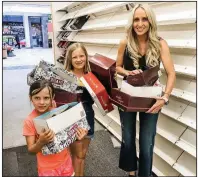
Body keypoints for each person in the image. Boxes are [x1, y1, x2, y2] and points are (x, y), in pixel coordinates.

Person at [116, 4, 176, 177]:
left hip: (151, 99)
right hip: (127, 97)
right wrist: (127, 72)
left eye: (144, 19)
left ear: (150, 21)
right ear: (132, 22)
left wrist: (164, 98)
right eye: (136, 19)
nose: (140, 24)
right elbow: (117, 67)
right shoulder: (124, 42)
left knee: (147, 142)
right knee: (127, 137)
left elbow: (172, 73)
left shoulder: (160, 44)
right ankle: (131, 173)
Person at [23, 80, 88, 176]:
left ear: (52, 98)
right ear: (30, 98)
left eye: (46, 98)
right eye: (37, 98)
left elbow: (66, 136)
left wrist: (78, 136)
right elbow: (31, 150)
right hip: (47, 169)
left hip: (66, 162)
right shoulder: (29, 121)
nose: (41, 102)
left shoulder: (58, 112)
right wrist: (41, 141)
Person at [64, 43, 95, 176]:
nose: (79, 59)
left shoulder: (91, 76)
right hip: (73, 120)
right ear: (70, 59)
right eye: (75, 57)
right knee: (76, 155)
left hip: (88, 117)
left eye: (81, 56)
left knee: (82, 155)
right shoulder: (65, 77)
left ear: (86, 57)